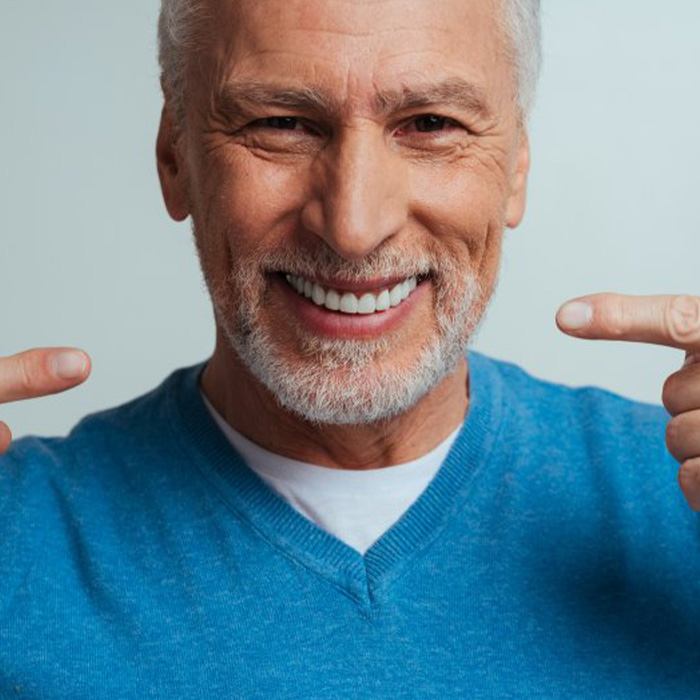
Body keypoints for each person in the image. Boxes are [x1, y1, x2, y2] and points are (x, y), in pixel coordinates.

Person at [2, 0, 699, 696]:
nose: (354, 226)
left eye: (430, 124)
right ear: (174, 157)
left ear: (516, 166)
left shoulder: (682, 501)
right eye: (283, 124)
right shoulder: (19, 541)